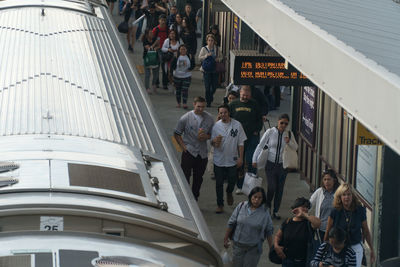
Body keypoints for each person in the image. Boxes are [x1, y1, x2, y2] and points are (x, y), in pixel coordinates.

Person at [252, 113, 298, 219]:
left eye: (286, 123)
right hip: (270, 163)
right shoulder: (270, 132)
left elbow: (296, 147)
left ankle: (276, 210)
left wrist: (289, 142)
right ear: (278, 122)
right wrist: (254, 159)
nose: (283, 125)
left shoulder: (289, 134)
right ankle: (267, 206)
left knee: (279, 189)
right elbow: (260, 145)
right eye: (281, 123)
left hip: (283, 165)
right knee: (272, 187)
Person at [324, 183, 375, 267]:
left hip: (355, 246)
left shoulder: (360, 210)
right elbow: (328, 229)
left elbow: (365, 230)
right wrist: (325, 246)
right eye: (344, 195)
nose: (346, 197)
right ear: (340, 197)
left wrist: (371, 249)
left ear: (353, 196)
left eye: (349, 194)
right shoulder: (335, 211)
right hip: (338, 247)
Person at [174, 96, 214, 201]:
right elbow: (177, 134)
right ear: (194, 105)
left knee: (198, 178)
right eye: (199, 107)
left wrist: (207, 137)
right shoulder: (185, 118)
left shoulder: (209, 118)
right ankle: (186, 198)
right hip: (189, 151)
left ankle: (195, 197)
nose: (201, 109)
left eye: (203, 107)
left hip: (202, 153)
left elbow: (213, 134)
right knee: (185, 176)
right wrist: (183, 147)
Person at [224, 187, 273, 267]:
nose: (256, 200)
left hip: (253, 248)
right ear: (250, 196)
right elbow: (231, 223)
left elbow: (269, 230)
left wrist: (271, 248)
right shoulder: (241, 206)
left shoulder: (265, 211)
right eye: (255, 197)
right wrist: (226, 239)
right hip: (238, 246)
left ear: (263, 199)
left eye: (260, 198)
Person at [211, 104, 246, 213]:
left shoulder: (237, 125)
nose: (223, 115)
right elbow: (212, 143)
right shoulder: (216, 126)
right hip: (219, 159)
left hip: (232, 159)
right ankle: (220, 204)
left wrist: (241, 158)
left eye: (225, 112)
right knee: (219, 183)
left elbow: (241, 143)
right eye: (221, 113)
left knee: (232, 180)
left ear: (229, 112)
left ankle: (229, 192)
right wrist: (215, 142)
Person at [229, 86, 263, 193]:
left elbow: (259, 118)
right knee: (240, 161)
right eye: (243, 95)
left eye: (247, 95)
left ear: (250, 95)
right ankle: (240, 185)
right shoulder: (233, 104)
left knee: (251, 159)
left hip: (252, 136)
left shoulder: (255, 104)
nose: (245, 97)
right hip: (238, 138)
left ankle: (252, 185)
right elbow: (227, 118)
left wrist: (257, 130)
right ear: (240, 93)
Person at [274, 197, 321, 267]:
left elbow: (318, 223)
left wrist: (305, 215)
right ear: (296, 207)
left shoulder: (308, 223)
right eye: (303, 207)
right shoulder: (287, 221)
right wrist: (276, 245)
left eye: (307, 207)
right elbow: (278, 236)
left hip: (302, 262)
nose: (306, 209)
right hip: (287, 261)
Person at [310, 169, 340, 238]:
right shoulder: (319, 191)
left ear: (334, 180)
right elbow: (309, 204)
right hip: (321, 229)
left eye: (329, 179)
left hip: (335, 231)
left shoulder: (339, 193)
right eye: (325, 179)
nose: (326, 182)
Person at [198, 34, 222, 107]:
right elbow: (200, 58)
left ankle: (210, 96)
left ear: (214, 41)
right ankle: (208, 101)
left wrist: (218, 59)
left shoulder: (217, 49)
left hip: (214, 70)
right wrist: (206, 56)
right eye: (209, 40)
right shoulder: (204, 49)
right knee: (207, 86)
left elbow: (221, 57)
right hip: (206, 70)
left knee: (214, 86)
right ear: (207, 41)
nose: (210, 42)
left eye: (212, 40)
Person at [170, 44, 194, 108]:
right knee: (178, 90)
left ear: (186, 50)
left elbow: (193, 64)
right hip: (177, 76)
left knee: (185, 90)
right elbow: (172, 66)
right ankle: (178, 103)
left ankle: (184, 103)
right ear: (179, 50)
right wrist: (171, 76)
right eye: (181, 49)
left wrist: (190, 69)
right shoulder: (176, 56)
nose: (183, 50)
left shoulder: (190, 56)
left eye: (184, 49)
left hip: (187, 76)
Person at [153, 14, 169, 89]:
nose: (163, 22)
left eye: (164, 20)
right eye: (161, 20)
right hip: (157, 50)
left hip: (165, 50)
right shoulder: (155, 29)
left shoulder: (167, 30)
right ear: (159, 21)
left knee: (164, 68)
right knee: (157, 66)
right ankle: (156, 82)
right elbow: (152, 40)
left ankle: (165, 83)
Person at [142, 29, 160, 94]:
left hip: (155, 58)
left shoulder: (155, 38)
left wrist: (156, 47)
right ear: (147, 34)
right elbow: (149, 48)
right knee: (147, 74)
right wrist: (155, 44)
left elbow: (159, 45)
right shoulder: (145, 40)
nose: (152, 34)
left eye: (152, 33)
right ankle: (147, 88)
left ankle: (153, 84)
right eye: (150, 33)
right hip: (147, 58)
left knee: (156, 74)